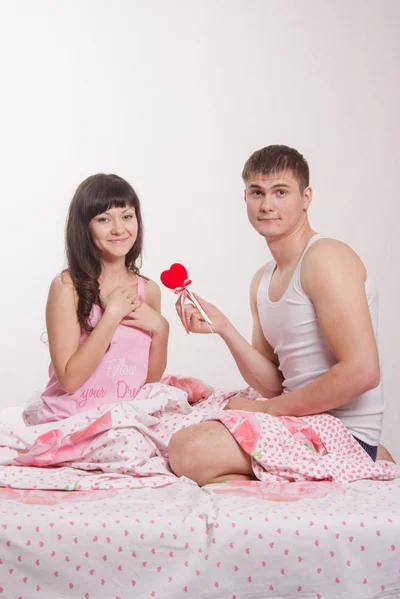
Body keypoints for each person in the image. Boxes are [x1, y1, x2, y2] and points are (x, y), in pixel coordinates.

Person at [168, 144, 391, 486]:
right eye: (257, 193)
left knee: (188, 451)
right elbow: (274, 384)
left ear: (306, 197)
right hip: (300, 422)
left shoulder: (326, 257)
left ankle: (362, 460)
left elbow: (362, 372)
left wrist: (267, 411)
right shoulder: (262, 279)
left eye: (280, 192)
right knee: (183, 425)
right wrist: (225, 329)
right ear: (245, 198)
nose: (267, 205)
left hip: (341, 433)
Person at [37, 173, 169, 424]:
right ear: (85, 226)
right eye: (104, 219)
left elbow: (149, 383)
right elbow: (69, 380)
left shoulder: (148, 290)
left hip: (127, 417)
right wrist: (112, 316)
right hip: (73, 417)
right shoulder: (68, 287)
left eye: (127, 216)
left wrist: (162, 329)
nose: (119, 229)